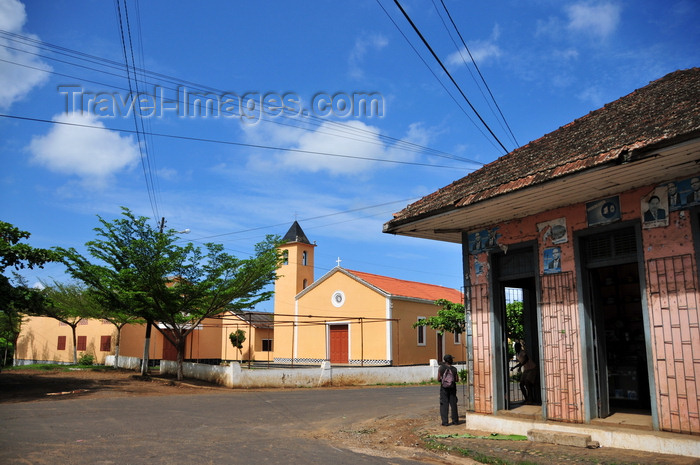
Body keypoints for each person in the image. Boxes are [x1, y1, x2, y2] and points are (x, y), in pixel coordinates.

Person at [437, 354, 459, 426]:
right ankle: (455, 421)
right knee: (453, 404)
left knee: (444, 404)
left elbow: (438, 379)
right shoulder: (454, 369)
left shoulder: (441, 368)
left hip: (444, 388)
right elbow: (456, 379)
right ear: (450, 360)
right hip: (452, 388)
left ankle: (445, 422)